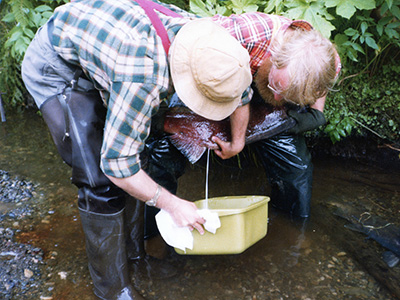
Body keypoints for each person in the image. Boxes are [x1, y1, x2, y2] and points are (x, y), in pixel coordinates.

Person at [21, 0, 253, 299]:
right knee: (99, 181)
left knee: (139, 157)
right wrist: (172, 204)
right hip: (57, 67)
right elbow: (117, 164)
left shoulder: (218, 48)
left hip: (107, 53)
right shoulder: (143, 76)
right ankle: (113, 289)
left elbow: (242, 91)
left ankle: (135, 260)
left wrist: (238, 140)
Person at [208, 13, 342, 218]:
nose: (277, 96)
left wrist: (317, 112)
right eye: (277, 85)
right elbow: (192, 40)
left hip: (267, 108)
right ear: (275, 56)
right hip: (218, 84)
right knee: (165, 147)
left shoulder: (328, 65)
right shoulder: (244, 35)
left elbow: (321, 86)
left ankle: (292, 229)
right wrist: (237, 142)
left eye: (288, 95)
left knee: (297, 175)